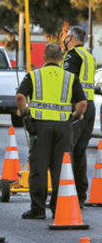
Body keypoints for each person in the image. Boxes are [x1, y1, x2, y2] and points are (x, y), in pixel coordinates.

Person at [16, 44, 87, 219]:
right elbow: (82, 104)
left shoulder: (34, 75)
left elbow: (20, 97)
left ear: (44, 57)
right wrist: (76, 115)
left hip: (39, 127)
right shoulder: (70, 78)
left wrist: (23, 113)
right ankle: (58, 207)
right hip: (63, 127)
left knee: (39, 167)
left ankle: (38, 210)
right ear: (61, 58)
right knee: (60, 168)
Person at [61, 26, 98, 208]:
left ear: (70, 37)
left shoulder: (72, 55)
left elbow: (68, 81)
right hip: (89, 105)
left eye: (66, 37)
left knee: (68, 150)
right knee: (80, 151)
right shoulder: (89, 56)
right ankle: (80, 195)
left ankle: (68, 194)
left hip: (78, 105)